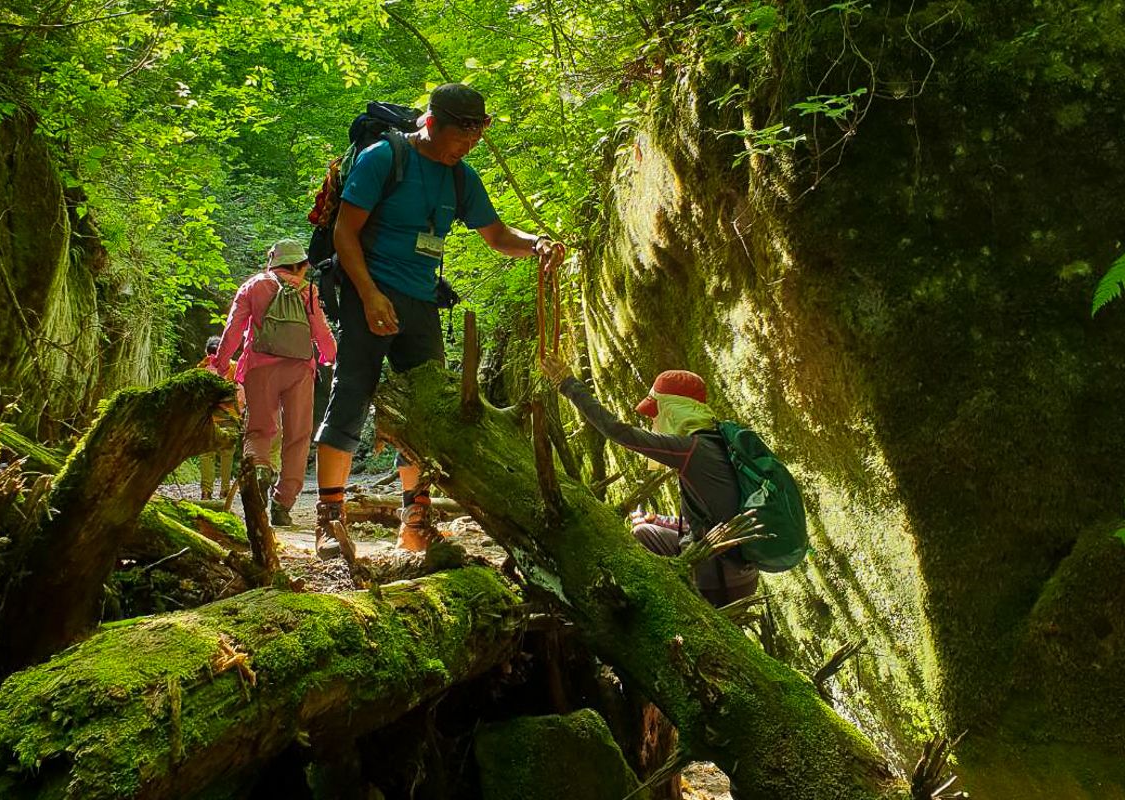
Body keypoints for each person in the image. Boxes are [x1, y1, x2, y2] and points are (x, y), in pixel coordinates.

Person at [314, 83, 566, 556]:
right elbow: (345, 232)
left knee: (428, 410)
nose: (465, 149)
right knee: (351, 396)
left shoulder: (461, 178)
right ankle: (329, 522)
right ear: (431, 124)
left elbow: (496, 234)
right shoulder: (383, 159)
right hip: (367, 290)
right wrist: (369, 295)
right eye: (459, 139)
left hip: (421, 301)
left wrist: (536, 244)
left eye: (473, 141)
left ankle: (416, 520)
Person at [540, 358, 759, 607]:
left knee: (639, 552)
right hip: (741, 574)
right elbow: (715, 517)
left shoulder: (690, 450)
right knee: (644, 532)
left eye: (656, 413)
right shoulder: (718, 440)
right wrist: (660, 520)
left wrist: (569, 385)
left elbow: (619, 432)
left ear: (674, 410)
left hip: (718, 580)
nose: (652, 422)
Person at [213, 239, 338, 533]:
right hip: (300, 370)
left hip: (259, 367)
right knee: (298, 435)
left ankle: (259, 468)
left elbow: (233, 329)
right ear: (301, 265)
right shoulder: (307, 290)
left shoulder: (253, 286)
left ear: (273, 261)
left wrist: (220, 366)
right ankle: (283, 504)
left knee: (260, 428)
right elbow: (321, 329)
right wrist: (330, 356)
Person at [197, 335, 244, 500]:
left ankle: (206, 491)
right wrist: (241, 413)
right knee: (227, 454)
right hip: (229, 418)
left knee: (206, 454)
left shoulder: (201, 369)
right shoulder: (234, 367)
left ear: (206, 351)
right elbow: (240, 394)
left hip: (207, 419)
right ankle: (225, 490)